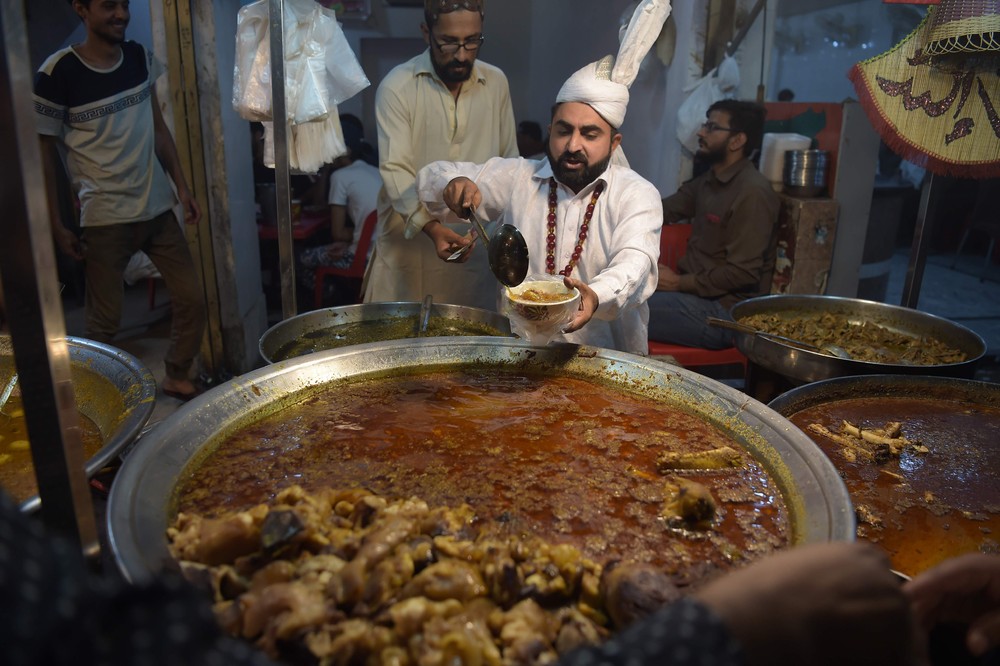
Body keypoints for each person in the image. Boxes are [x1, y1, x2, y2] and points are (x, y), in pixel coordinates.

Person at [35, 0, 206, 401]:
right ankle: (99, 401)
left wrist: (181, 186)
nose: (121, 15)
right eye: (109, 6)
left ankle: (177, 374)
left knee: (191, 299)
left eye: (125, 5)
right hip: (105, 216)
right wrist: (56, 223)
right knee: (104, 324)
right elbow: (42, 153)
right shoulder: (58, 72)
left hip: (158, 208)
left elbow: (159, 129)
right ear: (81, 9)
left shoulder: (138, 57)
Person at [362, 0, 518, 311]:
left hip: (472, 248)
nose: (462, 54)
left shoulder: (496, 82)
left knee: (467, 345)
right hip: (410, 247)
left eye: (472, 41)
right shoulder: (398, 86)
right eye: (448, 42)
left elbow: (509, 161)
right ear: (426, 33)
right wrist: (432, 228)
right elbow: (395, 171)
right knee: (402, 344)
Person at [646, 99, 780, 349]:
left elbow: (743, 273)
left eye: (711, 127)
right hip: (692, 295)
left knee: (619, 310)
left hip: (724, 314)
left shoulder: (753, 192)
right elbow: (660, 210)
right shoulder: (710, 180)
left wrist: (677, 283)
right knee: (614, 291)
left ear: (737, 141)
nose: (700, 132)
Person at [297, 117, 382, 299]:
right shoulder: (374, 171)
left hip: (362, 257)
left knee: (301, 259)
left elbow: (337, 233)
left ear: (345, 151)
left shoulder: (340, 176)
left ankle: (332, 298)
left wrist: (350, 240)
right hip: (382, 253)